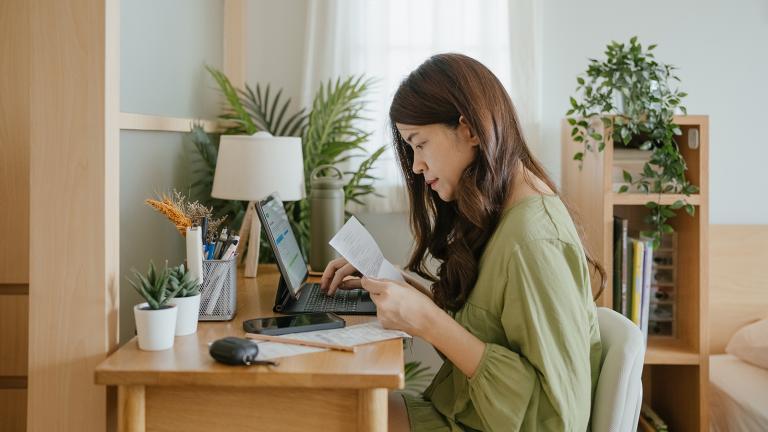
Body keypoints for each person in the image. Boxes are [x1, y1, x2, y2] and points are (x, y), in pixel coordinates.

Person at [320, 53, 604, 432]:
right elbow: (483, 335)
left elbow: (558, 419)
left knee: (319, 415)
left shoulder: (534, 240)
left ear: (469, 130)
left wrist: (428, 321)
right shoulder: (503, 213)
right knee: (328, 408)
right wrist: (398, 287)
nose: (417, 166)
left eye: (419, 144)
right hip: (457, 415)